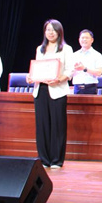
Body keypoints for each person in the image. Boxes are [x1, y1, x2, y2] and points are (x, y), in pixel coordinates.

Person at [27, 19, 74, 169]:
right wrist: (31, 77)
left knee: (58, 125)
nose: (50, 33)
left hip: (57, 90)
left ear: (59, 32)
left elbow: (70, 70)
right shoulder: (40, 49)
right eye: (48, 30)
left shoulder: (66, 49)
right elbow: (36, 68)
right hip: (40, 90)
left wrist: (59, 79)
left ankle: (56, 160)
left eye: (53, 30)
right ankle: (43, 159)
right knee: (42, 125)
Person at [71, 29, 102, 95]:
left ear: (92, 40)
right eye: (82, 38)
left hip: (91, 87)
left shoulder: (97, 55)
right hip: (77, 87)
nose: (84, 40)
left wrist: (84, 68)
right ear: (79, 40)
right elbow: (70, 72)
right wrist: (73, 69)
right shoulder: (74, 55)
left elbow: (99, 72)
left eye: (87, 38)